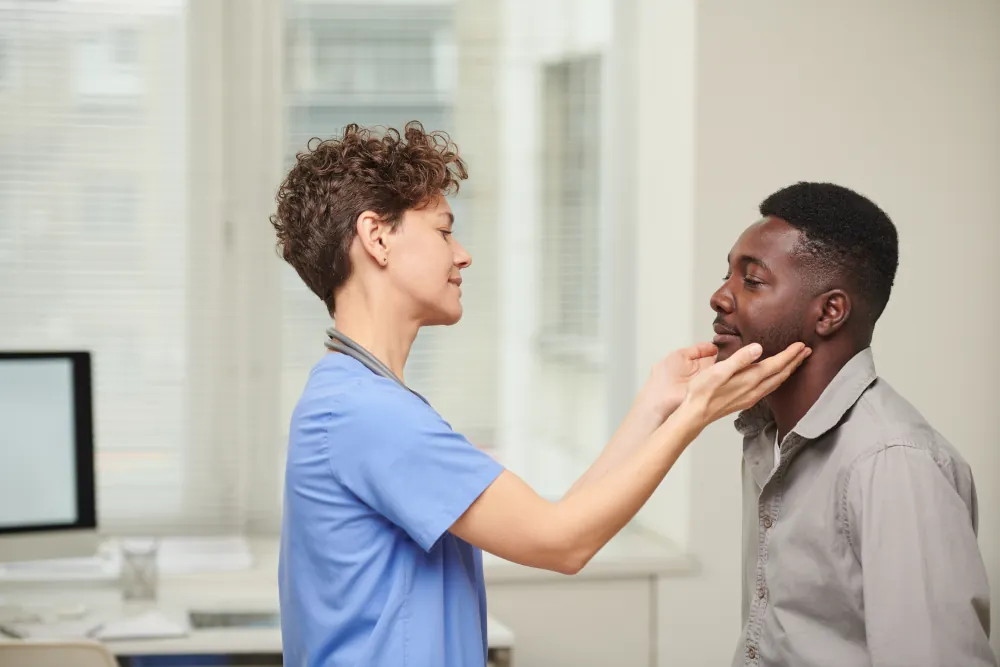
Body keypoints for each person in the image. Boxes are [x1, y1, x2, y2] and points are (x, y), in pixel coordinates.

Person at [268, 121, 808, 667]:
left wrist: (658, 404)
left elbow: (561, 517)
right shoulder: (367, 413)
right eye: (443, 231)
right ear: (377, 237)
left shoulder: (358, 398)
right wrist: (697, 413)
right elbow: (563, 544)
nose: (462, 255)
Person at [710, 181, 996, 667]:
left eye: (752, 281)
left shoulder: (895, 465)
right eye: (728, 275)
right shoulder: (766, 435)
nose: (720, 297)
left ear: (829, 312)